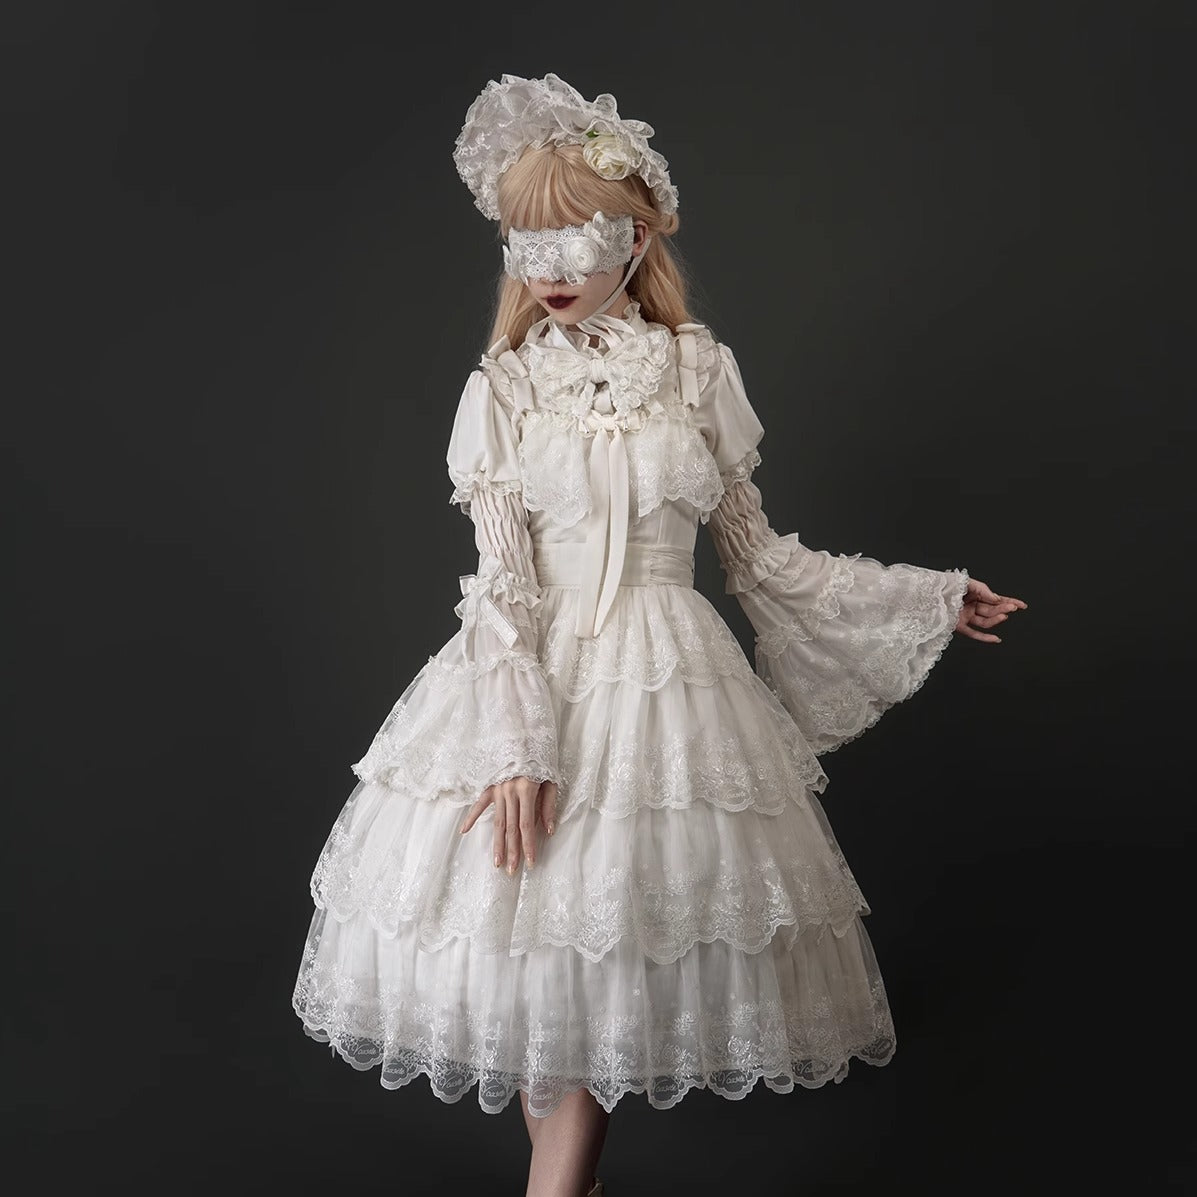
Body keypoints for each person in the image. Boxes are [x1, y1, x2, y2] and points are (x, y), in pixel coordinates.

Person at [291, 72, 1028, 1197]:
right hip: (528, 687)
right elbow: (503, 589)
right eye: (524, 244)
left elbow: (762, 562)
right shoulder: (503, 390)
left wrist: (929, 596)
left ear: (634, 239)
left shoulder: (696, 371)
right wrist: (517, 744)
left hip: (669, 702)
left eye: (573, 240)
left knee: (596, 983)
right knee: (538, 990)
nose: (545, 270)